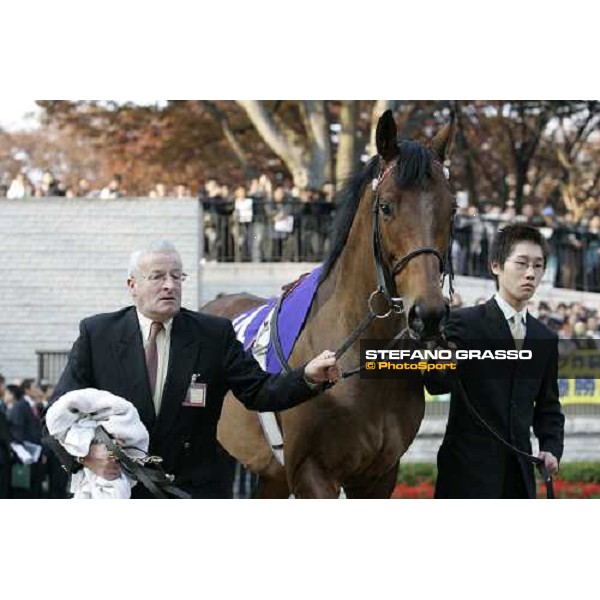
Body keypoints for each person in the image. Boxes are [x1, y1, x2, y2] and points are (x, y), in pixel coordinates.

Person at [46, 240, 339, 498]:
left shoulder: (213, 334)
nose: (170, 285)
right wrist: (87, 456)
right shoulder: (98, 334)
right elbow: (56, 416)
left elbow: (260, 392)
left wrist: (307, 377)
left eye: (177, 276)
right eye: (157, 277)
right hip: (123, 491)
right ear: (132, 285)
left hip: (194, 492)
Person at [424, 224, 565, 498]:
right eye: (522, 263)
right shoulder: (462, 323)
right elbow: (435, 384)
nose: (530, 274)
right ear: (496, 266)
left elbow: (548, 406)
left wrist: (551, 447)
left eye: (538, 266)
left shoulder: (544, 338)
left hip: (520, 476)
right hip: (466, 473)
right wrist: (442, 361)